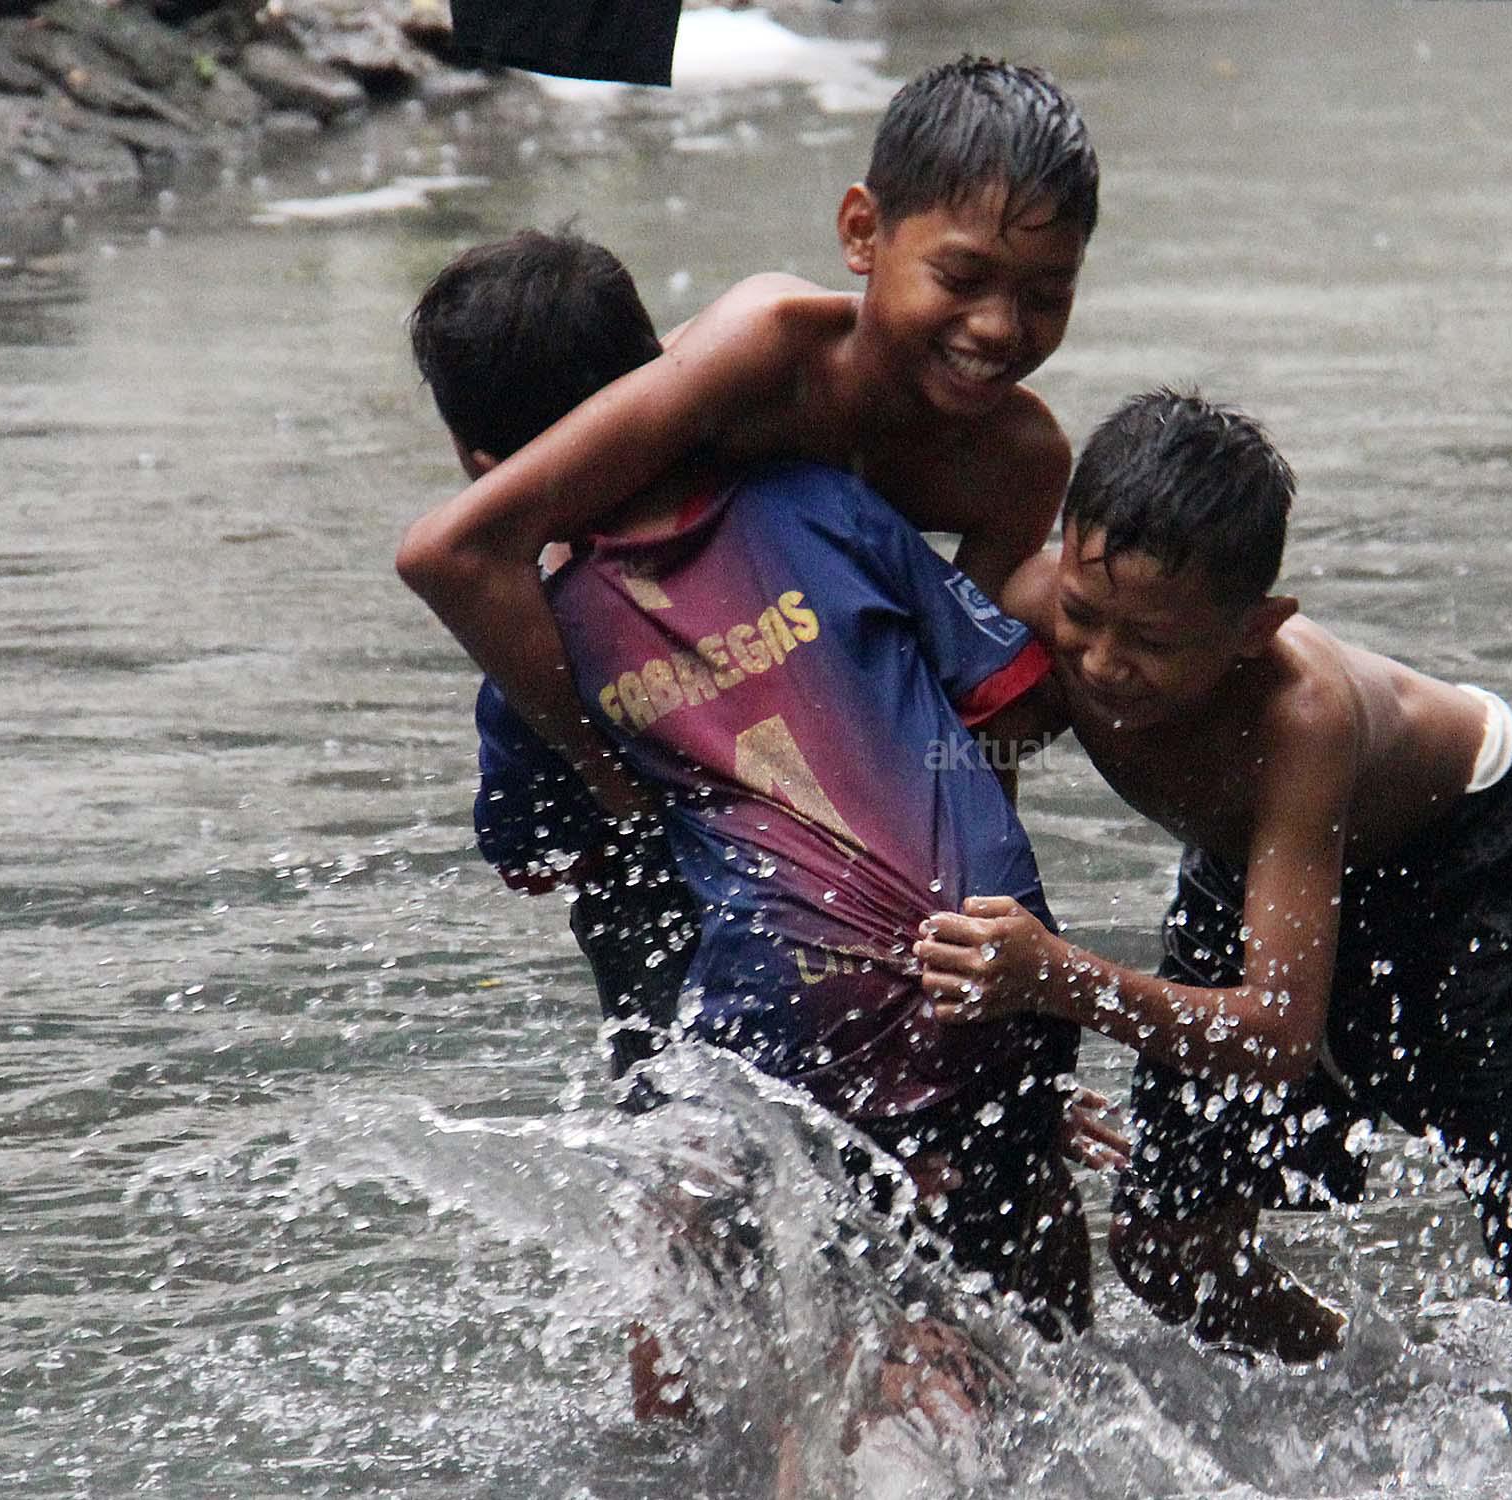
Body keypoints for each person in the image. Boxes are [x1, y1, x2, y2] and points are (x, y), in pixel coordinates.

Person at [913, 389, 1512, 1383]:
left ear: (1254, 628)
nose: (1102, 663)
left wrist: (1059, 980)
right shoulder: (1034, 618)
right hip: (1257, 853)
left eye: (1152, 643)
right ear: (1062, 560)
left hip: (1454, 861)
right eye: (1083, 615)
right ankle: (1389, 1384)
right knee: (1169, 1252)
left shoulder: (1300, 717)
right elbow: (964, 792)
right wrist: (1016, 1050)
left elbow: (1278, 1034)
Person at [403, 230, 1096, 1358]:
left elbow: (540, 857)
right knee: (1009, 1242)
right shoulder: (825, 503)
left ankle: (711, 1438)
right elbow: (1011, 696)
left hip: (788, 1012)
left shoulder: (543, 645)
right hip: (999, 956)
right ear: (658, 378)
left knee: (705, 1272)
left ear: (485, 465)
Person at [410, 54, 1098, 1078]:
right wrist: (612, 778)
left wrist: (984, 957)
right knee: (685, 1098)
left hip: (835, 772)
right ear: (861, 233)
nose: (999, 328)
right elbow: (479, 542)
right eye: (961, 279)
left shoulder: (1017, 461)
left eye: (1046, 295)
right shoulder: (759, 351)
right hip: (666, 746)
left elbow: (965, 720)